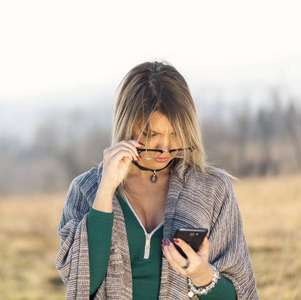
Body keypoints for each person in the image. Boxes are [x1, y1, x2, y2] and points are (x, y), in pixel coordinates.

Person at [55, 61, 258, 299]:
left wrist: (202, 275)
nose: (165, 148)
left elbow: (240, 294)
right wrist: (105, 191)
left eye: (175, 134)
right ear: (128, 127)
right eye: (152, 135)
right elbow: (81, 284)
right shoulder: (85, 190)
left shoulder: (213, 189)